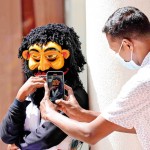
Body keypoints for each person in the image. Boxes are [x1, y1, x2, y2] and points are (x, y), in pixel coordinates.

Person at [40, 6, 150, 150]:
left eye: (114, 51)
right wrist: (82, 114)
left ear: (127, 45)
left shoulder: (142, 83)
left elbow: (90, 134)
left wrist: (50, 114)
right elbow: (141, 124)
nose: (116, 56)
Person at [0, 23, 88, 150]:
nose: (42, 66)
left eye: (51, 58)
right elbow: (6, 136)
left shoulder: (74, 97)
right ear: (27, 57)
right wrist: (19, 98)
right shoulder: (30, 93)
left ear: (66, 56)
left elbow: (47, 138)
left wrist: (18, 145)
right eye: (35, 58)